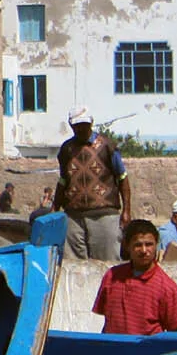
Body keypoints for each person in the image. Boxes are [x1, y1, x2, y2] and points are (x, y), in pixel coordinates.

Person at [52, 106, 131, 262]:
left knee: (107, 261)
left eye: (84, 124)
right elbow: (63, 180)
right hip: (73, 215)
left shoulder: (107, 146)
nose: (81, 128)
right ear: (71, 125)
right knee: (73, 262)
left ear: (91, 123)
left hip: (104, 213)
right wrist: (55, 207)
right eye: (77, 125)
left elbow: (122, 178)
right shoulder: (67, 149)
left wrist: (126, 210)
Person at [91, 219, 177, 335]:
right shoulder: (112, 276)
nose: (144, 251)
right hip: (114, 350)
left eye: (149, 244)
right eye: (138, 245)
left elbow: (176, 333)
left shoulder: (167, 287)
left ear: (156, 245)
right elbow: (107, 320)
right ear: (127, 246)